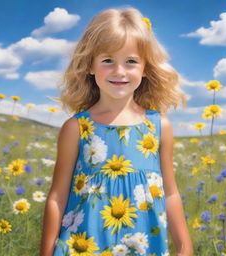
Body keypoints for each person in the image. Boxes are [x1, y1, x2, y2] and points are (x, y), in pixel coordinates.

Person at [40, 6, 193, 256]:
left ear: (145, 68)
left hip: (143, 246)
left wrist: (185, 248)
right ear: (90, 65)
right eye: (108, 60)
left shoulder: (158, 126)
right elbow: (57, 197)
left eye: (131, 61)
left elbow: (171, 192)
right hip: (83, 247)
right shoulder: (76, 127)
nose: (119, 71)